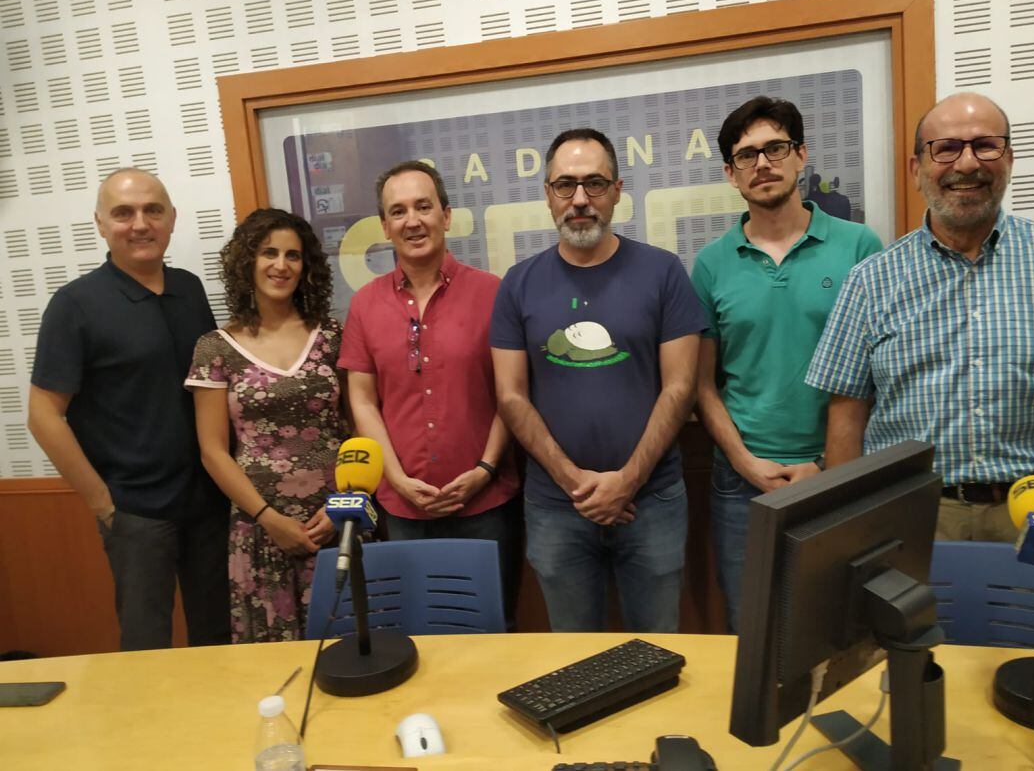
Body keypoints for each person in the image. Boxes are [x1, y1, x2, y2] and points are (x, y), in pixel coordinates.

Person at [806, 92, 1034, 541]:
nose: (968, 163)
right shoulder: (870, 280)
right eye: (946, 148)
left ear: (1008, 158)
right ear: (917, 170)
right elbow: (846, 415)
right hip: (913, 517)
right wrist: (849, 526)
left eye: (985, 146)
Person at [490, 128, 704, 633]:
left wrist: (627, 481)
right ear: (548, 194)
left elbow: (681, 387)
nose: (580, 199)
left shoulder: (664, 272)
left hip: (651, 501)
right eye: (565, 185)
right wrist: (576, 483)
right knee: (572, 654)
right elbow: (511, 395)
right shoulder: (517, 285)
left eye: (594, 184)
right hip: (555, 507)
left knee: (657, 648)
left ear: (617, 190)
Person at [691, 96, 882, 631]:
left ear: (801, 155)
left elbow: (875, 373)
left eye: (775, 148)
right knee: (749, 627)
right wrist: (745, 462)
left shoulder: (859, 246)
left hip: (836, 472)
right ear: (731, 173)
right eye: (746, 155)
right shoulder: (710, 264)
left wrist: (825, 466)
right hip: (741, 482)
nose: (763, 164)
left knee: (835, 622)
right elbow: (703, 386)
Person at [27, 168, 229, 651]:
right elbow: (42, 415)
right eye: (123, 213)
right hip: (136, 513)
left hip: (208, 503)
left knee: (220, 637)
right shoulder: (75, 305)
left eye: (152, 210)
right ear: (100, 224)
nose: (140, 224)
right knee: (146, 648)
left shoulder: (190, 289)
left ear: (172, 219)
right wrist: (103, 503)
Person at [338, 161, 522, 624]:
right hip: (402, 507)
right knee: (418, 632)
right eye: (398, 211)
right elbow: (362, 399)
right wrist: (396, 480)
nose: (412, 220)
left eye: (423, 206)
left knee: (491, 628)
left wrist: (484, 469)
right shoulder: (364, 304)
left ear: (447, 215)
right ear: (383, 227)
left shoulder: (492, 292)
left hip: (485, 501)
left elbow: (512, 392)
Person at [186, 208, 347, 642]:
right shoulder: (214, 348)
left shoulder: (332, 336)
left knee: (350, 653)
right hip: (261, 534)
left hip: (335, 525)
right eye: (268, 253)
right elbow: (213, 451)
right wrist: (268, 518)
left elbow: (357, 431)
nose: (281, 265)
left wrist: (342, 507)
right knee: (273, 665)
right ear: (246, 261)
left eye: (293, 256)